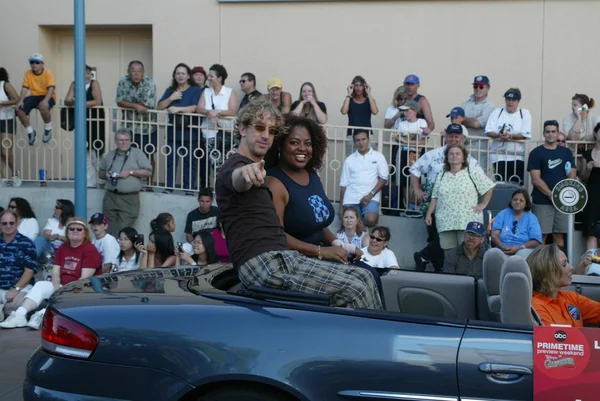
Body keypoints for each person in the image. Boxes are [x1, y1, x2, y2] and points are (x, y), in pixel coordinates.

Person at [215, 97, 382, 310]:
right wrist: (245, 174)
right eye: (259, 128)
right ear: (241, 129)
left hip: (283, 258)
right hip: (262, 263)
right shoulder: (236, 166)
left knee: (365, 277)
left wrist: (338, 245)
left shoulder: (265, 168)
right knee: (356, 290)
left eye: (272, 131)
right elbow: (237, 180)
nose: (266, 135)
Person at [0, 217, 102, 329]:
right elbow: (56, 273)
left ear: (85, 233)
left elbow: (83, 279)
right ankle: (20, 315)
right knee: (41, 285)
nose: (75, 231)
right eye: (71, 228)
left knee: (69, 294)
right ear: (67, 232)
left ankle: (42, 314)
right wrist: (56, 287)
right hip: (61, 286)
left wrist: (62, 292)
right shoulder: (63, 248)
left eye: (79, 229)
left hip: (81, 289)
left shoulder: (90, 249)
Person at [265, 114, 341, 261]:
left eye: (308, 143)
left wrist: (338, 244)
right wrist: (322, 251)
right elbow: (277, 236)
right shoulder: (274, 183)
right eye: (294, 142)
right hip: (295, 261)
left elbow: (315, 222)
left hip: (319, 254)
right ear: (280, 144)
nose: (302, 149)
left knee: (370, 273)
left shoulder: (311, 174)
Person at [410, 123, 482, 272]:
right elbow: (415, 169)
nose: (453, 138)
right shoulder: (433, 154)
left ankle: (425, 257)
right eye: (450, 135)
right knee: (436, 237)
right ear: (445, 137)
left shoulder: (470, 160)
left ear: (462, 138)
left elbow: (482, 181)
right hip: (433, 204)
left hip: (456, 208)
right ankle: (437, 267)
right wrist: (416, 189)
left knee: (444, 237)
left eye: (457, 136)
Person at [424, 143, 495, 252]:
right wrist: (429, 214)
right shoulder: (442, 175)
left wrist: (483, 204)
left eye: (458, 154)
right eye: (451, 154)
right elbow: (435, 197)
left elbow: (489, 187)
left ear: (463, 158)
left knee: (468, 253)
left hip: (466, 221)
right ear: (447, 157)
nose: (454, 156)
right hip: (445, 222)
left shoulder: (471, 173)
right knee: (449, 255)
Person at [527, 120, 577, 246]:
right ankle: (540, 265)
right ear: (544, 133)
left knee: (559, 235)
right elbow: (535, 179)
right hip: (542, 201)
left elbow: (572, 175)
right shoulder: (536, 153)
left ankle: (559, 265)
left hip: (562, 201)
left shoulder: (566, 152)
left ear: (557, 133)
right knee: (541, 235)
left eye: (553, 131)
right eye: (548, 132)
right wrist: (551, 194)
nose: (551, 134)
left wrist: (570, 173)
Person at [157, 63, 203, 195]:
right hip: (173, 132)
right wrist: (171, 98)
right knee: (171, 161)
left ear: (188, 76)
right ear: (174, 76)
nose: (180, 76)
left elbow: (196, 107)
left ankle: (188, 189)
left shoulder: (195, 90)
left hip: (190, 133)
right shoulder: (170, 90)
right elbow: (159, 106)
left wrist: (179, 109)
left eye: (183, 73)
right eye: (177, 73)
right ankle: (169, 188)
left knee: (189, 162)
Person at [99, 128, 153, 237]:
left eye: (126, 140)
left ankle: (121, 252)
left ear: (130, 141)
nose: (124, 142)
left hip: (129, 199)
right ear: (115, 141)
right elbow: (100, 172)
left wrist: (131, 172)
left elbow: (148, 172)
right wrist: (106, 174)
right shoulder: (110, 155)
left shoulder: (137, 154)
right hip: (111, 197)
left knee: (122, 231)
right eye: (121, 140)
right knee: (109, 230)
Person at [529, 244, 600, 327]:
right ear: (546, 273)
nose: (571, 267)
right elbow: (550, 338)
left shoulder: (571, 297)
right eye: (564, 264)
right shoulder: (536, 306)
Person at [116, 60, 157, 185]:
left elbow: (146, 106)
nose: (136, 74)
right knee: (127, 155)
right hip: (129, 127)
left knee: (149, 155)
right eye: (133, 71)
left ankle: (149, 184)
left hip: (147, 127)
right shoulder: (123, 82)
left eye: (139, 71)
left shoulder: (149, 83)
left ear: (143, 72)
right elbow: (119, 101)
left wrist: (130, 104)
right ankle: (131, 182)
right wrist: (135, 105)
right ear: (129, 72)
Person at [64, 64, 106, 187]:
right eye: (84, 73)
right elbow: (67, 100)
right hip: (82, 122)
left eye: (88, 73)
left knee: (96, 152)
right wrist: (73, 101)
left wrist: (77, 103)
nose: (87, 75)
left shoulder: (94, 83)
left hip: (95, 121)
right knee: (85, 152)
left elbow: (97, 101)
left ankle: (102, 180)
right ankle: (90, 182)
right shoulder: (74, 84)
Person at [339, 130, 388, 227]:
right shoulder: (349, 160)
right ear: (354, 142)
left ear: (368, 140)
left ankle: (358, 227)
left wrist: (370, 196)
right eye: (357, 140)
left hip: (371, 198)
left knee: (371, 220)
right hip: (351, 199)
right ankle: (358, 229)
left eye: (363, 139)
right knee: (350, 223)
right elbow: (344, 184)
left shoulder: (378, 156)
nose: (361, 143)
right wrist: (341, 207)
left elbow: (384, 179)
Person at [197, 64, 239, 172]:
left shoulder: (230, 92)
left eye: (211, 76)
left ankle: (226, 187)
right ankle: (218, 187)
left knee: (228, 163)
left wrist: (218, 113)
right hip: (209, 133)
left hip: (227, 133)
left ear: (220, 78)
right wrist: (208, 112)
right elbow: (199, 108)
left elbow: (233, 111)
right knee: (215, 163)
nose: (209, 78)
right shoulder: (206, 92)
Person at [485, 88, 532, 184]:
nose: (510, 102)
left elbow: (525, 134)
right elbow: (489, 130)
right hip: (498, 156)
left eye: (513, 100)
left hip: (517, 156)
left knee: (516, 186)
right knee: (500, 185)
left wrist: (510, 136)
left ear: (518, 101)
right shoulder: (497, 112)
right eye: (508, 99)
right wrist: (498, 135)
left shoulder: (524, 113)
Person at [0, 210, 37, 322]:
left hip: (20, 288)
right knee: (12, 308)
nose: (8, 226)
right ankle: (5, 311)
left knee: (19, 304)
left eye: (11, 223)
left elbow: (29, 271)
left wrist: (16, 289)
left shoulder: (26, 243)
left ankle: (4, 311)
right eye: (4, 223)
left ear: (17, 223)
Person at [15, 53, 56, 145]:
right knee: (19, 110)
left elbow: (51, 88)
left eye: (37, 62)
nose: (34, 64)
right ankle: (30, 132)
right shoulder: (28, 73)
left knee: (43, 107)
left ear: (42, 64)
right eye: (32, 62)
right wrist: (21, 100)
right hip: (34, 96)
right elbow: (25, 88)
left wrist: (45, 100)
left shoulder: (48, 73)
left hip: (47, 95)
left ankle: (48, 129)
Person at [491, 188, 542, 258]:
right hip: (502, 248)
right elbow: (494, 235)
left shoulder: (532, 218)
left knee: (519, 256)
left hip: (523, 249)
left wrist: (519, 248)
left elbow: (536, 240)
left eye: (521, 200)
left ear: (526, 204)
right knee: (491, 253)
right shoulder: (502, 214)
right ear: (511, 201)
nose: (517, 202)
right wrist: (503, 247)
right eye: (515, 199)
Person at [394, 100, 428, 203]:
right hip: (404, 153)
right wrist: (408, 141)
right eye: (404, 111)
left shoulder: (422, 122)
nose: (405, 113)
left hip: (418, 153)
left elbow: (423, 141)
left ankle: (415, 204)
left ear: (414, 111)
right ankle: (408, 205)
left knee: (419, 178)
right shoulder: (402, 124)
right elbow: (396, 137)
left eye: (407, 110)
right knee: (405, 180)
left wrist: (406, 141)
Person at [461, 75, 495, 175]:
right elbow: (456, 118)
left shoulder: (489, 105)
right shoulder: (467, 103)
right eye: (475, 86)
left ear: (487, 89)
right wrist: (470, 119)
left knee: (479, 173)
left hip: (480, 144)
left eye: (481, 86)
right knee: (463, 172)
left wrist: (463, 119)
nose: (478, 89)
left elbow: (477, 124)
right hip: (465, 143)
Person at [340, 75, 379, 157]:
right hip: (352, 135)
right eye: (356, 85)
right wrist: (348, 94)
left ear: (364, 86)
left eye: (360, 85)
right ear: (353, 87)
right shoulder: (349, 100)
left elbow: (375, 111)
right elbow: (343, 111)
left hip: (368, 135)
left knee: (369, 158)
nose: (358, 88)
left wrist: (369, 93)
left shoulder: (369, 100)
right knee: (351, 159)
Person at [0, 67, 20, 183]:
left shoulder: (5, 85)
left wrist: (1, 103)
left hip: (7, 119)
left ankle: (15, 173)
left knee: (5, 150)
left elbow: (16, 99)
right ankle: (3, 178)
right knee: (0, 152)